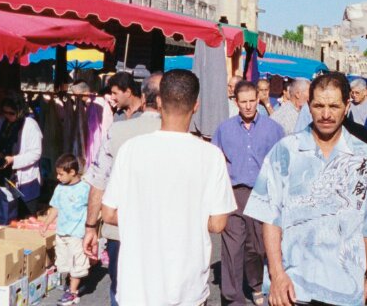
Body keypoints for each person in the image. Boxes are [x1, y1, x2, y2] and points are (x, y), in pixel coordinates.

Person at [245, 72, 367, 306]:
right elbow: (270, 218)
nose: (326, 114)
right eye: (319, 106)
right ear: (309, 106)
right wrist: (277, 275)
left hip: (347, 290)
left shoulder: (363, 156)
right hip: (294, 288)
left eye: (334, 106)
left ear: (347, 107)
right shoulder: (285, 151)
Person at [102, 69, 236, 305]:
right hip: (187, 289)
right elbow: (218, 223)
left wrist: (147, 217)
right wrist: (184, 218)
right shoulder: (211, 156)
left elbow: (109, 213)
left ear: (159, 102)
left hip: (136, 288)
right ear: (196, 106)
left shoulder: (131, 150)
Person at [82, 72, 163, 306]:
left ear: (143, 98)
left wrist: (90, 227)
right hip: (160, 232)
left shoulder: (117, 131)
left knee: (120, 291)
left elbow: (99, 181)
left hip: (120, 229)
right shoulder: (180, 137)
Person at [212, 81, 285, 305]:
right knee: (232, 248)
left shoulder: (273, 129)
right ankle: (233, 298)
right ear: (236, 102)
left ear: (258, 100)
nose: (248, 106)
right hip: (234, 194)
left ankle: (255, 283)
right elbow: (216, 162)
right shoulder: (224, 129)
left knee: (257, 247)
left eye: (252, 101)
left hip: (262, 193)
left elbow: (282, 162)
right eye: (243, 102)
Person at [41, 154, 91, 306]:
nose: (57, 177)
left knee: (77, 262)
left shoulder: (85, 188)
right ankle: (72, 284)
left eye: (61, 174)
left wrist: (91, 229)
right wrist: (46, 223)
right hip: (61, 232)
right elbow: (55, 207)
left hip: (77, 233)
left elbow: (92, 208)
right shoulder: (59, 188)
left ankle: (73, 292)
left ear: (73, 172)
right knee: (64, 261)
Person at [0, 90, 43, 217]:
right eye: (5, 112)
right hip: (2, 176)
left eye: (11, 113)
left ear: (20, 110)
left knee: (25, 217)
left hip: (24, 181)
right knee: (3, 215)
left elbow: (36, 153)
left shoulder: (30, 125)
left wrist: (13, 160)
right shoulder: (0, 122)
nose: (8, 116)